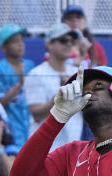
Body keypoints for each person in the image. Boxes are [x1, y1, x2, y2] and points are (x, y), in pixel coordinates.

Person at [24, 24, 81, 152]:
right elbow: (36, 114)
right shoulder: (36, 74)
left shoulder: (77, 73)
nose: (68, 44)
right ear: (50, 44)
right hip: (46, 151)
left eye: (71, 41)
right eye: (63, 40)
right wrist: (60, 95)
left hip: (72, 149)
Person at [0, 24, 34, 147]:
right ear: (4, 47)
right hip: (11, 130)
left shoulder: (30, 65)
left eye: (21, 40)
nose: (20, 44)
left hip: (31, 127)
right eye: (15, 41)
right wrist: (19, 84)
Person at [60, 5, 107, 69]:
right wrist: (80, 57)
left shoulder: (96, 47)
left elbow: (103, 73)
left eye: (78, 17)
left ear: (84, 22)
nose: (74, 20)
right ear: (63, 22)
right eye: (69, 18)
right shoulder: (56, 46)